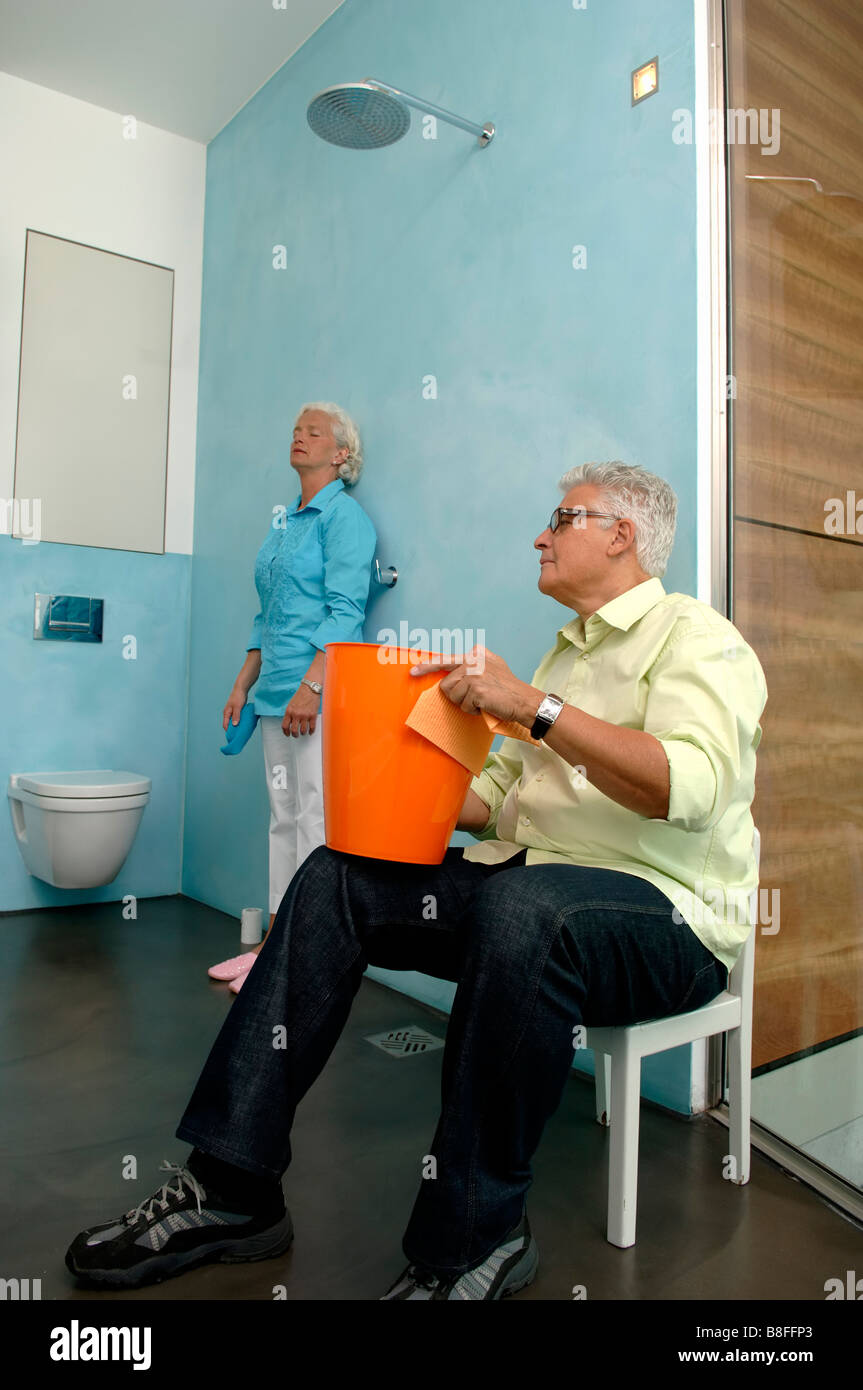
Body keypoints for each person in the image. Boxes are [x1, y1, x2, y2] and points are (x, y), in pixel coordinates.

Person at [66, 461, 767, 1300]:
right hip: (531, 890)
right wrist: (410, 754)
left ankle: (474, 1239)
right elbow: (496, 805)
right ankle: (232, 1188)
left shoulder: (698, 636)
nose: (540, 535)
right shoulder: (564, 655)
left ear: (621, 535)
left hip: (667, 923)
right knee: (336, 876)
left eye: (561, 518)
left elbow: (682, 787)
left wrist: (531, 706)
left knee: (525, 909)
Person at [208, 403, 377, 993]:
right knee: (282, 819)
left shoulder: (344, 519)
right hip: (274, 696)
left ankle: (308, 954)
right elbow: (267, 612)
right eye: (296, 430)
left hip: (317, 697)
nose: (299, 437)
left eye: (315, 432)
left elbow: (345, 612)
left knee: (314, 821)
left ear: (342, 454)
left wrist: (312, 686)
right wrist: (243, 682)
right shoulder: (286, 523)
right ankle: (275, 950)